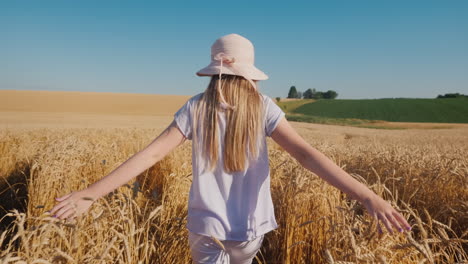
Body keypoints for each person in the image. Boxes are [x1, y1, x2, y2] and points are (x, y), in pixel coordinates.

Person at [49, 33, 411, 264]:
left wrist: (90, 194)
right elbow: (305, 154)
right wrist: (366, 196)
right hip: (250, 229)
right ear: (250, 72)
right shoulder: (265, 107)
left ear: (213, 71)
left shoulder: (196, 107)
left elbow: (151, 154)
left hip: (205, 226)